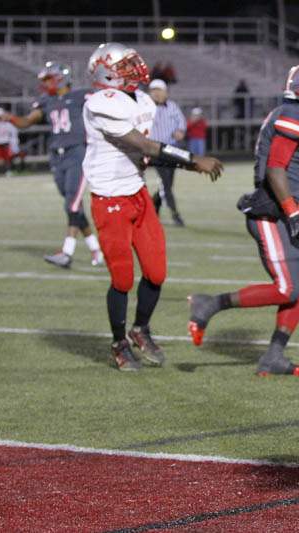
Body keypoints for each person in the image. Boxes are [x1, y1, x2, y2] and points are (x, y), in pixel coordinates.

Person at [187, 62, 299, 376]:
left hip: (285, 207)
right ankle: (209, 304)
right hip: (271, 212)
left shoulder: (295, 113)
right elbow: (275, 169)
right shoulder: (295, 115)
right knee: (287, 288)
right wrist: (292, 212)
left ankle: (273, 356)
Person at [83, 42, 223, 371]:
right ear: (107, 74)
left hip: (137, 191)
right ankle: (119, 343)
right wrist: (192, 160)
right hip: (109, 197)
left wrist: (187, 166)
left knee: (156, 271)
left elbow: (146, 155)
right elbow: (145, 145)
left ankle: (140, 328)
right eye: (125, 67)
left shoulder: (143, 100)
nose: (135, 70)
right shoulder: (101, 103)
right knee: (122, 279)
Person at [5, 62, 104, 269]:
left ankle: (66, 253)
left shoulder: (81, 96)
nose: (46, 83)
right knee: (73, 205)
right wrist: (10, 118)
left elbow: (106, 103)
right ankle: (95, 248)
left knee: (71, 204)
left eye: (49, 79)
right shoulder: (46, 101)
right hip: (57, 157)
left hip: (78, 153)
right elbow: (27, 122)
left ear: (61, 78)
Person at [148, 78, 188, 227]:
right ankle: (175, 214)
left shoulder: (172, 106)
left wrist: (180, 131)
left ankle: (154, 206)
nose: (156, 94)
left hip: (171, 150)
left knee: (168, 185)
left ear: (165, 92)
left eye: (159, 90)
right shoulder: (146, 107)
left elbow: (181, 123)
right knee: (166, 183)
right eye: (153, 91)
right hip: (155, 151)